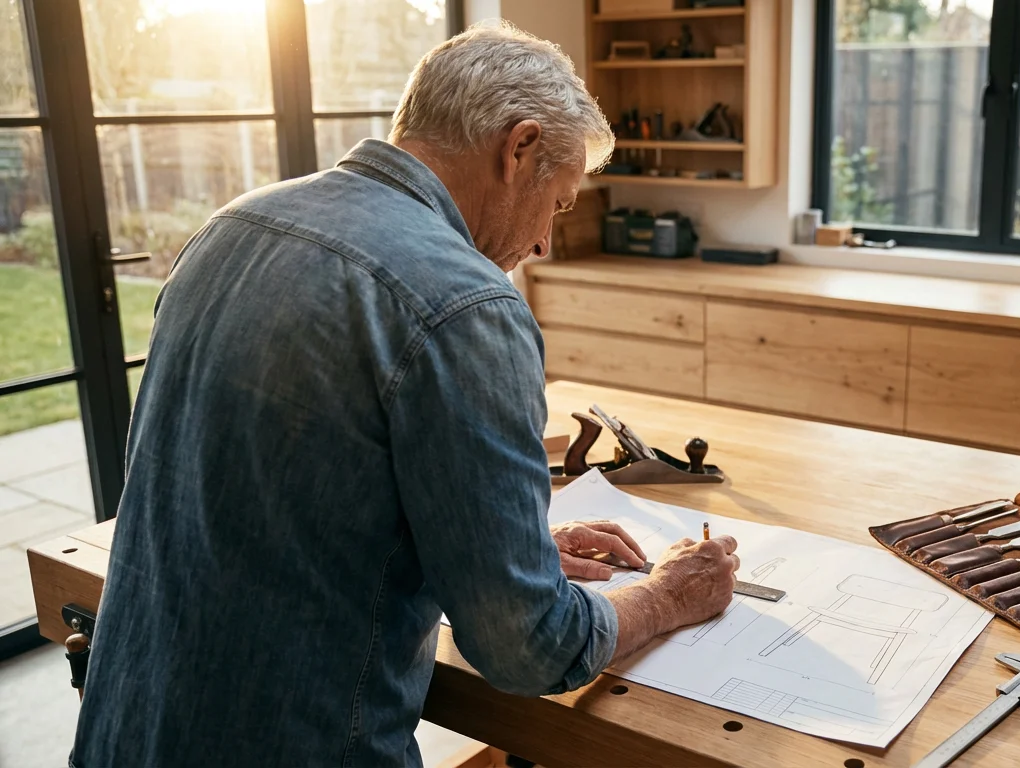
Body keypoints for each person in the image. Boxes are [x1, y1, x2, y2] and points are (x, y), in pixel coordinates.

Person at [71, 23, 740, 768]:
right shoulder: (466, 303)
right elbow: (527, 650)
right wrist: (667, 596)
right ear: (518, 149)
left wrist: (492, 553)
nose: (547, 242)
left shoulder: (231, 227)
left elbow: (277, 498)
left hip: (121, 733)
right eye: (558, 203)